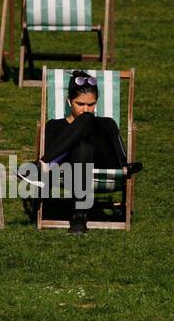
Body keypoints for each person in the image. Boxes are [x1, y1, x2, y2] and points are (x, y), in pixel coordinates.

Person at [38, 74, 141, 233]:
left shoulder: (105, 124)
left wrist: (126, 166)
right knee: (82, 148)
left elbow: (120, 156)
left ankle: (42, 163)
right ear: (69, 101)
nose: (86, 109)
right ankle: (79, 216)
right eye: (80, 104)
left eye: (91, 104)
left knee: (87, 120)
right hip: (69, 168)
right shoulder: (54, 126)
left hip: (105, 163)